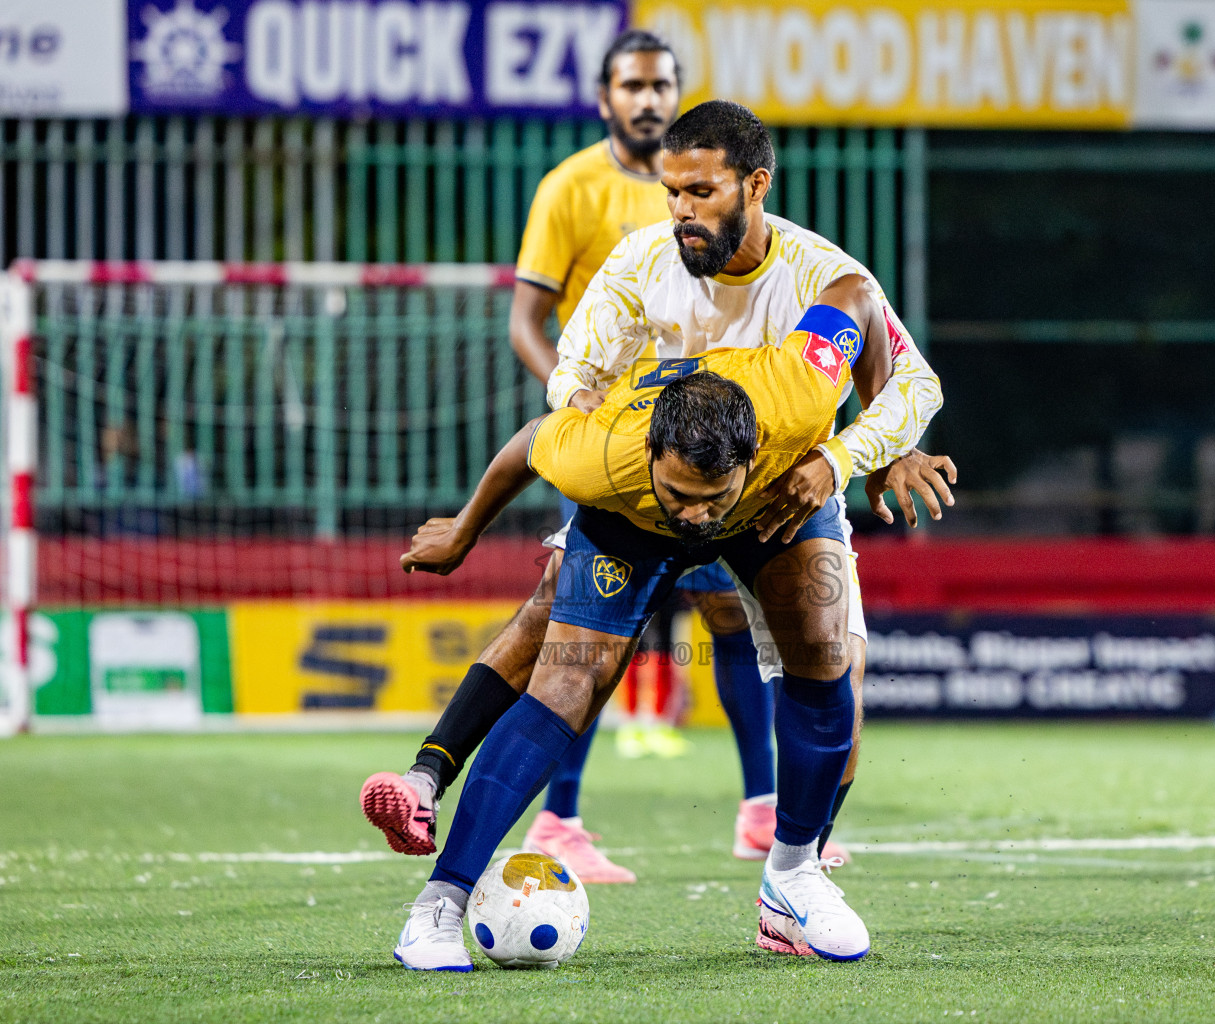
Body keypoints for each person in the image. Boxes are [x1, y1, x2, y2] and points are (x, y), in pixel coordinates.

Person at [388, 274, 948, 971]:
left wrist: (845, 457)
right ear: (652, 455)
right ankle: (438, 905)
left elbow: (857, 297)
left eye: (708, 497)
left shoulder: (796, 393)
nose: (694, 515)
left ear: (747, 458)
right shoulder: (603, 451)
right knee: (565, 683)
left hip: (774, 501)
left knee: (827, 655)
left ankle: (794, 876)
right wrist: (465, 532)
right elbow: (529, 445)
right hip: (628, 523)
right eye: (681, 493)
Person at [360, 31, 769, 885]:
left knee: (722, 614)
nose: (649, 99)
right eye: (633, 85)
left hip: (705, 447)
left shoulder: (727, 211)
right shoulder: (571, 188)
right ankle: (557, 817)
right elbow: (527, 323)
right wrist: (576, 397)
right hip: (618, 443)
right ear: (605, 97)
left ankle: (762, 815)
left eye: (662, 85)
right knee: (571, 628)